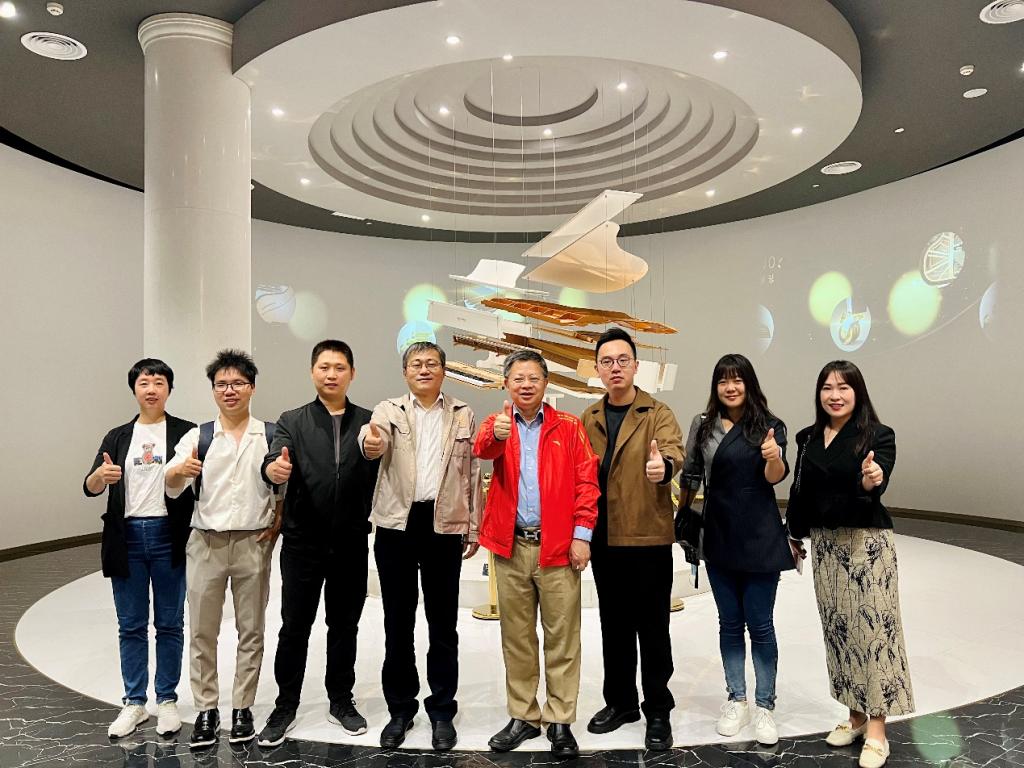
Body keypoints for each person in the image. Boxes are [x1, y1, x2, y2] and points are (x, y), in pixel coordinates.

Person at [786, 360, 913, 768]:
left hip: (866, 543)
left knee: (874, 632)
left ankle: (877, 728)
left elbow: (875, 479)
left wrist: (871, 479)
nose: (835, 395)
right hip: (825, 545)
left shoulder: (878, 435)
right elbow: (800, 490)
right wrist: (793, 533)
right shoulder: (807, 437)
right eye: (827, 387)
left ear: (858, 392)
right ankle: (855, 715)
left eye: (843, 387)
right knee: (839, 630)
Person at [473, 350, 599, 759]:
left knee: (563, 638)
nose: (526, 385)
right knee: (517, 638)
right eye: (518, 378)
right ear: (506, 384)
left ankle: (560, 719)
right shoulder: (497, 424)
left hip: (558, 548)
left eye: (533, 378)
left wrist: (582, 536)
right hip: (511, 548)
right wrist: (498, 435)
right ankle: (524, 716)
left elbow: (586, 483)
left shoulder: (569, 427)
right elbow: (482, 451)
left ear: (546, 383)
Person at [358, 341, 483, 751]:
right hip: (397, 524)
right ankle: (400, 709)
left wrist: (472, 526)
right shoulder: (388, 410)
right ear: (405, 372)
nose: (424, 369)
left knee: (443, 625)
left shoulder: (463, 413)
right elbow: (372, 440)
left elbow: (472, 472)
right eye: (416, 364)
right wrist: (370, 445)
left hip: (443, 523)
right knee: (398, 622)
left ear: (444, 371)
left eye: (432, 363)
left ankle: (442, 710)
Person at [256, 340, 380, 748]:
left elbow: (382, 466)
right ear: (312, 372)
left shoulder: (369, 422)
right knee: (295, 626)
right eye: (324, 367)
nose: (331, 374)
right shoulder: (292, 420)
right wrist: (274, 469)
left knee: (344, 625)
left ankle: (341, 700)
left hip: (350, 542)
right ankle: (285, 705)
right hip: (302, 542)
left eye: (339, 367)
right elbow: (273, 461)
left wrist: (378, 451)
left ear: (352, 374)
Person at [164, 349, 283, 749]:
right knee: (202, 630)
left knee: (251, 630)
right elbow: (172, 483)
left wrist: (277, 516)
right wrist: (178, 471)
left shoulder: (269, 434)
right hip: (206, 542)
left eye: (238, 383)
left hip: (253, 542)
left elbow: (281, 483)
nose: (230, 391)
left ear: (252, 388)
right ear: (213, 390)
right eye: (222, 384)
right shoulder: (198, 437)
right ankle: (206, 710)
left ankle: (243, 708)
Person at [680, 353, 794, 745]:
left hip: (760, 533)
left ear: (749, 383)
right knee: (729, 623)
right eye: (723, 380)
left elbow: (775, 478)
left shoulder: (770, 425)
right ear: (715, 386)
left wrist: (774, 456)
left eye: (737, 379)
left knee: (760, 624)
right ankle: (737, 699)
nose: (730, 387)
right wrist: (681, 516)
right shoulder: (703, 424)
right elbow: (691, 473)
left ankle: (765, 705)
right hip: (719, 530)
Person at [579, 328, 683, 750]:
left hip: (647, 536)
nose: (615, 367)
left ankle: (657, 708)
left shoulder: (657, 412)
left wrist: (664, 468)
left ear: (636, 366)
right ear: (598, 369)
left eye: (623, 360)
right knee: (614, 626)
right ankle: (621, 703)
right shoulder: (589, 417)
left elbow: (673, 452)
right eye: (607, 361)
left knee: (653, 628)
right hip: (604, 538)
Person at [82, 359, 195, 739]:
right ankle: (134, 702)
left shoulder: (185, 432)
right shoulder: (117, 436)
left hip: (168, 535)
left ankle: (166, 699)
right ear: (134, 389)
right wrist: (100, 476)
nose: (151, 389)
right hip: (126, 536)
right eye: (144, 382)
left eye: (159, 382)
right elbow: (90, 486)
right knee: (131, 625)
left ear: (169, 389)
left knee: (169, 623)